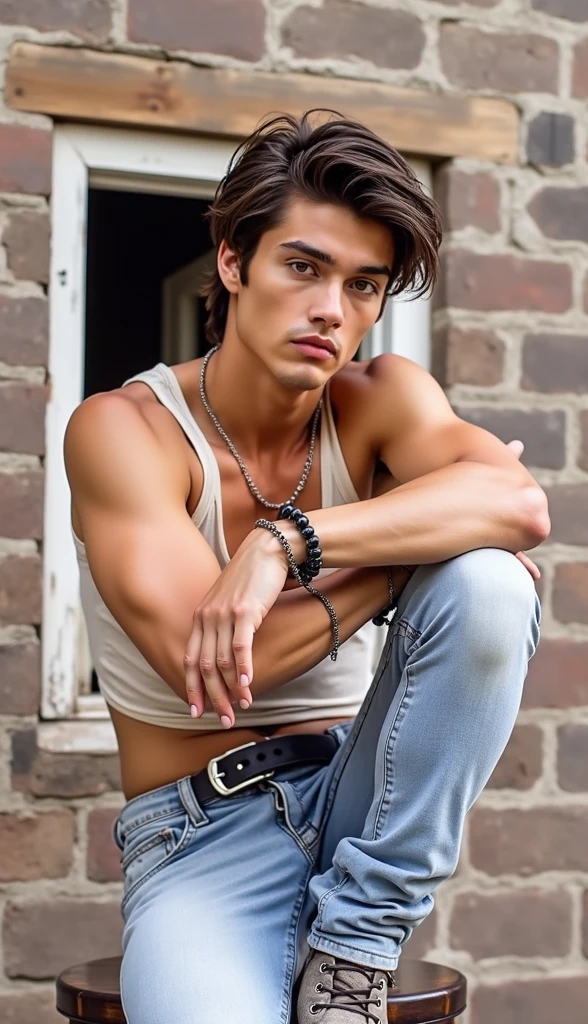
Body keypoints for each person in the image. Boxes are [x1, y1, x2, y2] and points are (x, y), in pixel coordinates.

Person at [64, 110, 548, 1024]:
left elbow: (520, 507)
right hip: (200, 835)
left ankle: (355, 947)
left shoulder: (382, 400)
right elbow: (207, 674)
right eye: (304, 266)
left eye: (365, 286)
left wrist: (286, 542)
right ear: (234, 262)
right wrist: (405, 554)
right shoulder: (125, 432)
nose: (334, 309)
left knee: (485, 583)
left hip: (366, 801)